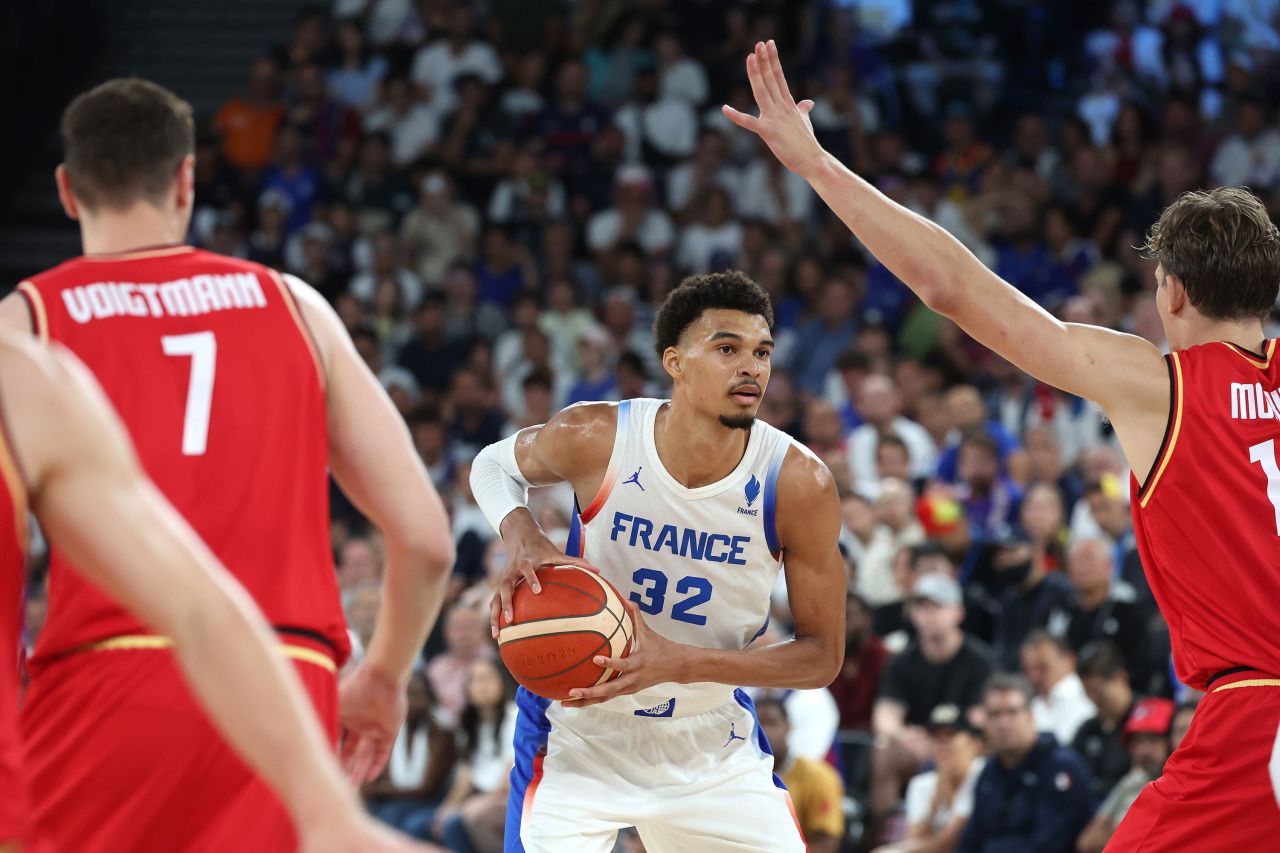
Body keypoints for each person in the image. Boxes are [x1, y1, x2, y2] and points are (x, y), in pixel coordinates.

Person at [728, 39, 1280, 846]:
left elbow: (953, 289)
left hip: (1257, 712)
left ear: (1173, 291)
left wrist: (817, 166)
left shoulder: (1159, 382)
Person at [3, 78, 455, 851]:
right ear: (186, 178)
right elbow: (424, 539)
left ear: (68, 191)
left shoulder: (28, 325)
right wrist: (383, 674)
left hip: (106, 670)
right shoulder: (296, 306)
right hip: (284, 678)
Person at [0, 335, 429, 852]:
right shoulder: (26, 374)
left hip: (106, 682)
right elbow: (426, 542)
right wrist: (329, 805)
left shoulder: (31, 317)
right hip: (276, 662)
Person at [470, 269, 845, 852]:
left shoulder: (798, 483)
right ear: (674, 361)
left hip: (709, 739)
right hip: (578, 729)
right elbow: (491, 465)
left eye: (762, 352)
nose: (752, 368)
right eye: (727, 349)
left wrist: (679, 663)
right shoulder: (598, 435)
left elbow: (822, 659)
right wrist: (520, 531)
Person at [869, 573, 993, 840]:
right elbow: (885, 715)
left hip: (963, 748)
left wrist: (941, 745)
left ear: (958, 612)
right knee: (884, 749)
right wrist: (903, 735)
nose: (929, 614)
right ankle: (887, 834)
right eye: (922, 607)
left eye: (938, 606)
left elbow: (981, 718)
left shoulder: (980, 661)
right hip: (919, 746)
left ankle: (957, 836)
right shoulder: (902, 661)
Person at [959, 675, 1095, 853]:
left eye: (1012, 712)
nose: (1003, 723)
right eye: (995, 715)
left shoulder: (1061, 766)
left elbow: (1050, 845)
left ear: (1031, 716)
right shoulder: (988, 772)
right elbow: (971, 841)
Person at [874, 704, 986, 853]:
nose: (943, 746)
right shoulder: (922, 784)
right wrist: (935, 803)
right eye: (937, 738)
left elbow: (952, 841)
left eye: (950, 736)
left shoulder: (983, 775)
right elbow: (914, 839)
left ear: (974, 744)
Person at [1076, 698, 1176, 853]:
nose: (1144, 750)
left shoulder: (1180, 787)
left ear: (1171, 739)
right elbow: (1086, 841)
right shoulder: (1131, 781)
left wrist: (1113, 833)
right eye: (1137, 741)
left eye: (1153, 739)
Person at [756, 696, 845, 853]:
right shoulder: (736, 774)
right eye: (758, 725)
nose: (765, 732)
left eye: (771, 723)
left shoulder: (819, 776)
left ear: (788, 727)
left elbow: (826, 842)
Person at [1072, 641, 1139, 801]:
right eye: (1088, 692)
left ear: (1121, 678)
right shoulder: (1088, 730)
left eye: (1099, 691)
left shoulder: (1147, 724)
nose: (1094, 699)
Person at [1021, 630, 1096, 746]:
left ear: (1069, 661)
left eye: (1042, 668)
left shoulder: (1088, 697)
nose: (1035, 677)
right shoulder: (1033, 705)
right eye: (1029, 670)